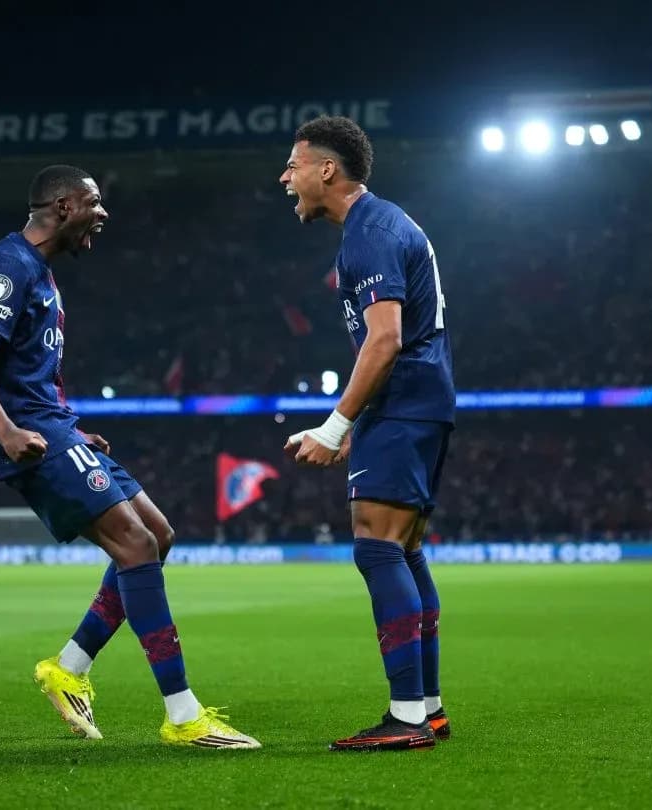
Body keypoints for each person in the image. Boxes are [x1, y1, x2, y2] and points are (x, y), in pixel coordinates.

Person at [0, 165, 259, 749]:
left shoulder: (40, 272)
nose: (103, 213)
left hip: (56, 428)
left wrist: (71, 431)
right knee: (135, 545)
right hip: (32, 436)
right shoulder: (8, 266)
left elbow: (29, 371)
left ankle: (68, 669)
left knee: (158, 535)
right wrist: (9, 430)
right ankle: (183, 715)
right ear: (64, 207)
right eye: (94, 202)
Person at [280, 116, 454, 751]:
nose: (285, 178)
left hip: (405, 402)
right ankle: (427, 708)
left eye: (294, 165)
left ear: (327, 170)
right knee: (403, 550)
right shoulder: (380, 225)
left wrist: (336, 425)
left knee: (377, 547)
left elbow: (385, 340)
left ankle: (406, 718)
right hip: (415, 403)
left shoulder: (370, 233)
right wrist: (360, 421)